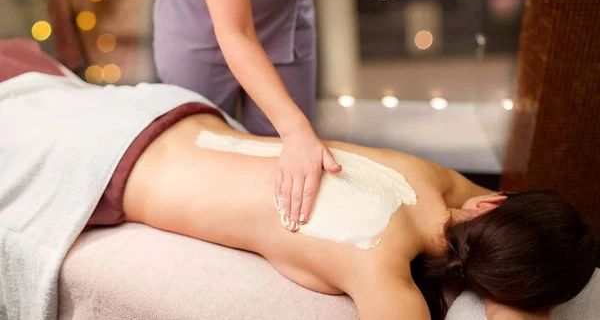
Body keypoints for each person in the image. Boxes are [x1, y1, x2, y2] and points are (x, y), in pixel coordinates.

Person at [1, 42, 598, 320]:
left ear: (491, 202)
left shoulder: (427, 179)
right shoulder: (384, 279)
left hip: (161, 111)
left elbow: (485, 215)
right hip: (96, 163)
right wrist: (524, 293)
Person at [153, 0, 385, 225]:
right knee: (199, 159)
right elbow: (235, 33)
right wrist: (295, 130)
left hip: (283, 8)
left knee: (291, 165)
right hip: (202, 15)